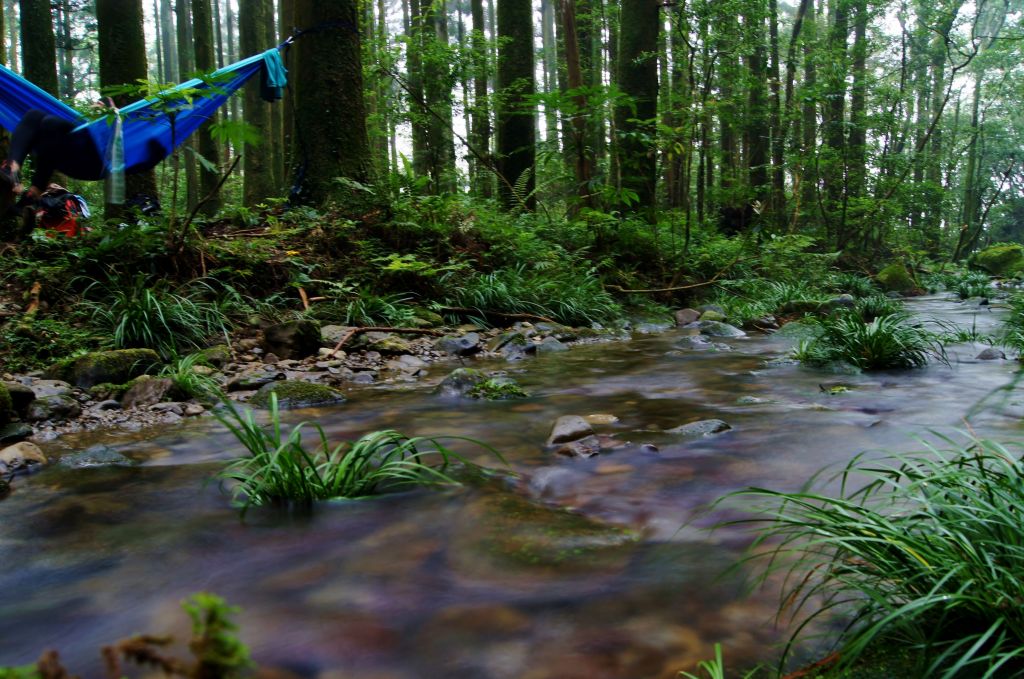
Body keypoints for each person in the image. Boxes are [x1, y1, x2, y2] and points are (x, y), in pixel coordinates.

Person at [0, 106, 108, 203]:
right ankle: (13, 170)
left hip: (94, 163)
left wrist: (109, 111)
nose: (96, 106)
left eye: (101, 105)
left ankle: (36, 189)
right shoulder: (84, 126)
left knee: (51, 124)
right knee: (34, 115)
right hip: (71, 148)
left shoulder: (115, 126)